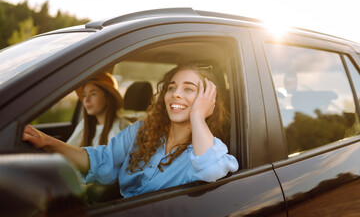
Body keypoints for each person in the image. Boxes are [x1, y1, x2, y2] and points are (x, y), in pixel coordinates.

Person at [23, 63, 239, 198]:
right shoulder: (140, 132)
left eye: (189, 89)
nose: (175, 94)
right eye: (171, 87)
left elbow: (210, 170)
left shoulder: (208, 148)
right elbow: (99, 160)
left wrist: (197, 116)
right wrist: (46, 141)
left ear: (207, 100)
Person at [67, 72, 131, 147]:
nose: (86, 100)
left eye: (93, 94)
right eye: (84, 95)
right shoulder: (84, 125)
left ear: (108, 98)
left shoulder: (121, 128)